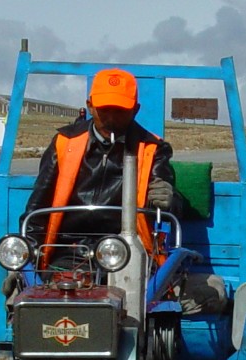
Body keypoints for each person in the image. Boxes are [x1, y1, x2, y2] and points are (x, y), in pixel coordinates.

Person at [25, 68, 176, 255]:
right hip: (67, 249)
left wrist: (167, 200)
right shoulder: (64, 142)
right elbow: (38, 204)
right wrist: (29, 259)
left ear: (135, 110)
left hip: (127, 251)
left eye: (120, 110)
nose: (111, 119)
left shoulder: (153, 149)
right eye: (104, 110)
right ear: (90, 106)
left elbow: (167, 211)